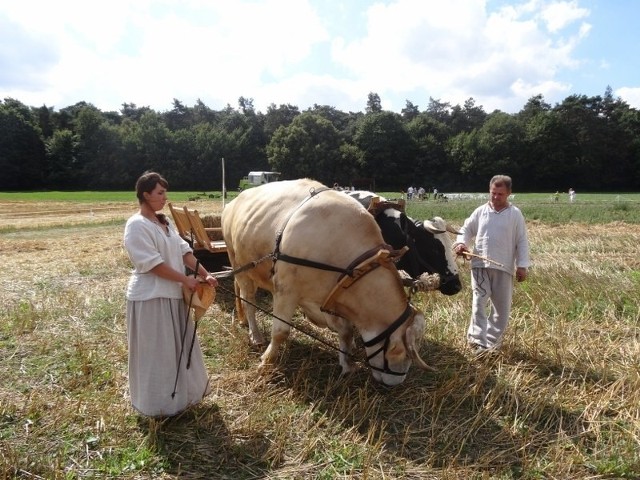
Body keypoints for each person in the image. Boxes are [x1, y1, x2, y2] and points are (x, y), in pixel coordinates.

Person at [124, 171, 218, 417]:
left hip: (173, 294)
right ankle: (158, 405)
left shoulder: (163, 223)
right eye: (160, 193)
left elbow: (185, 252)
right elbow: (152, 264)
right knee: (158, 351)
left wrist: (205, 274)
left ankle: (182, 398)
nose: (165, 197)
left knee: (178, 347)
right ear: (145, 194)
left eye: (165, 192)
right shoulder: (137, 225)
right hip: (151, 297)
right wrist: (185, 279)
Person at [452, 175, 530, 355]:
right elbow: (466, 230)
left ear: (509, 193)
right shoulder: (480, 211)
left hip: (504, 268)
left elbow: (522, 241)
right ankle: (478, 342)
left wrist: (522, 265)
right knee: (479, 302)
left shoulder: (515, 214)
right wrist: (460, 243)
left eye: (500, 194)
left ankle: (492, 342)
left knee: (501, 308)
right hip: (479, 265)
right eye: (493, 193)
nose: (495, 197)